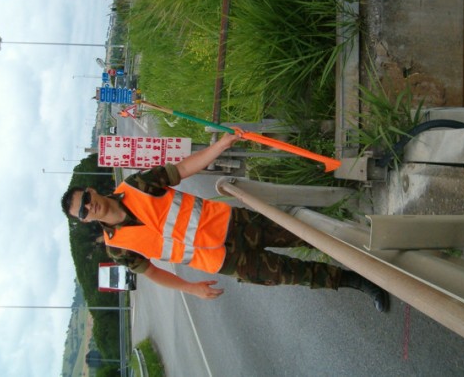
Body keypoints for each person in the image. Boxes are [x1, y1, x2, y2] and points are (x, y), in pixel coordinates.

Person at [61, 133, 389, 312]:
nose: (90, 206)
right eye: (83, 212)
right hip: (224, 261)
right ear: (85, 221)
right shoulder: (117, 249)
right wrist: (191, 288)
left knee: (307, 233)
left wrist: (218, 147)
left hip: (235, 224)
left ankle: (374, 247)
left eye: (86, 198)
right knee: (293, 274)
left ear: (91, 190)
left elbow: (181, 170)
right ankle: (359, 281)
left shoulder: (136, 185)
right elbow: (153, 273)